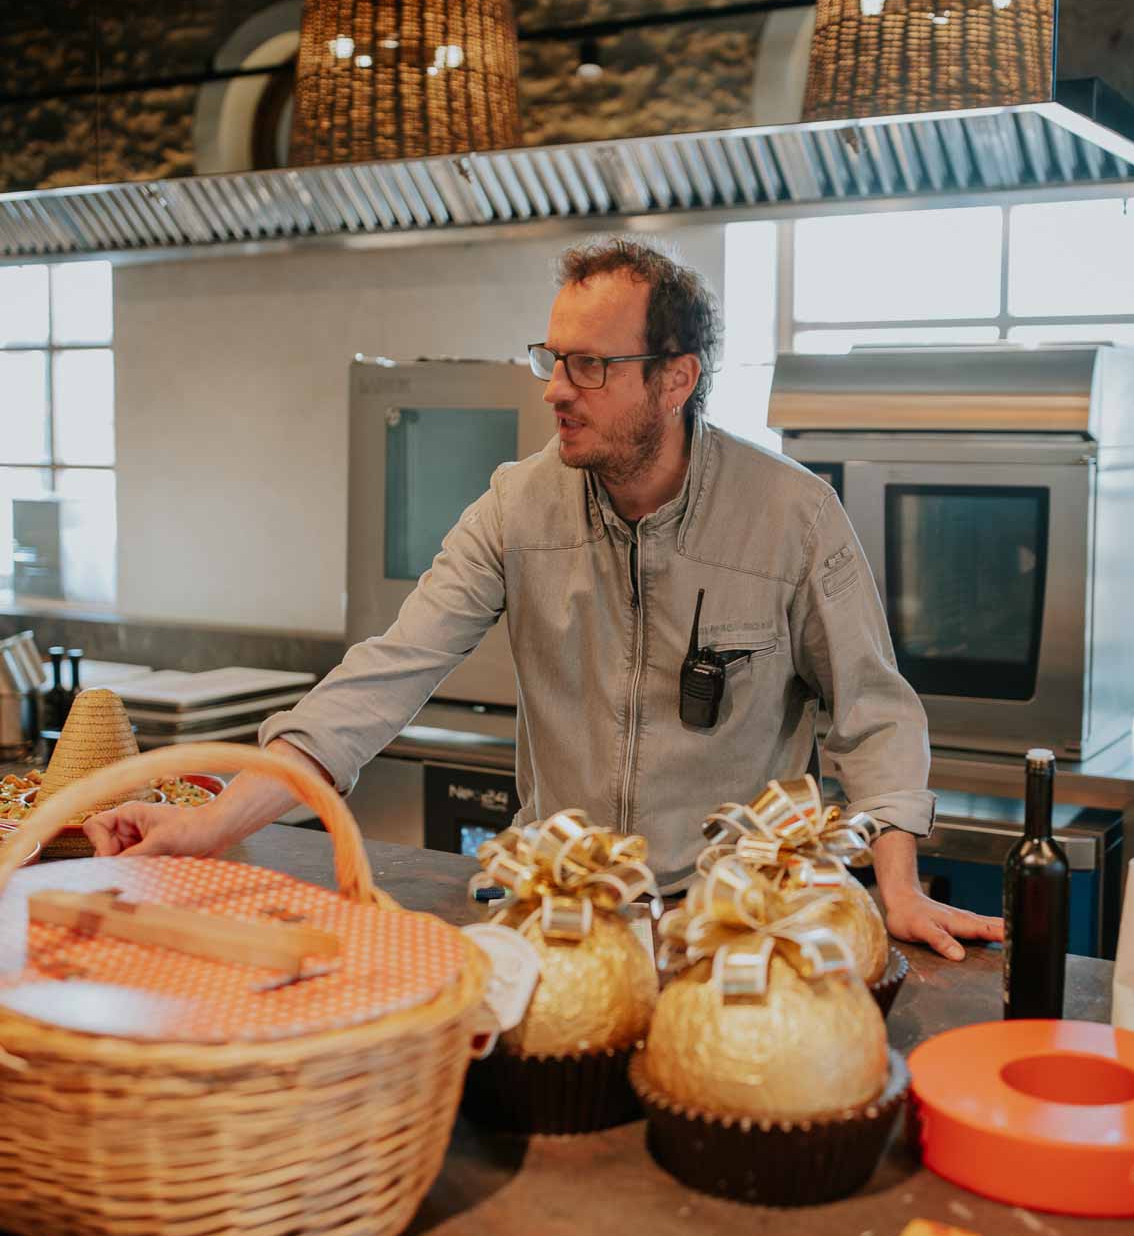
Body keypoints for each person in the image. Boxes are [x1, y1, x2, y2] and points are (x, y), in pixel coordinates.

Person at [87, 238, 1002, 961]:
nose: (556, 390)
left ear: (674, 379)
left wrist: (899, 885)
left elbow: (873, 718)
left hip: (736, 920)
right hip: (558, 912)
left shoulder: (793, 516)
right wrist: (205, 823)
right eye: (552, 359)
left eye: (589, 366)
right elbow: (378, 682)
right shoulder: (514, 506)